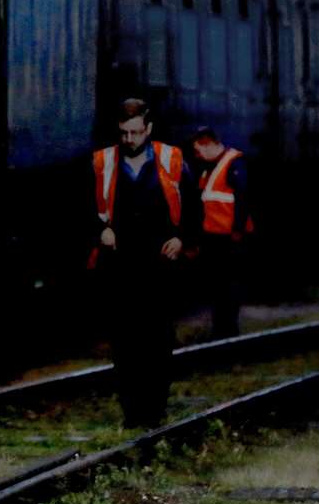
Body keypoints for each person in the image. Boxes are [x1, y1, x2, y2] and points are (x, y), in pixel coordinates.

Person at [90, 98, 190, 427]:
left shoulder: (171, 161)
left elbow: (193, 208)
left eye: (135, 132)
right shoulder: (102, 163)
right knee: (125, 341)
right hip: (120, 265)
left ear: (148, 129)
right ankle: (133, 412)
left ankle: (154, 408)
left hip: (160, 264)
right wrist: (100, 231)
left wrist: (182, 238)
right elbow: (80, 210)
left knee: (158, 339)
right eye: (124, 133)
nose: (129, 140)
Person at [191, 125, 253, 339]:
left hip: (229, 239)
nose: (197, 155)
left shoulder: (234, 164)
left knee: (228, 289)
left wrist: (237, 231)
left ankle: (228, 332)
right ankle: (221, 331)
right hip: (214, 238)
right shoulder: (210, 168)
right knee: (219, 289)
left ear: (208, 144)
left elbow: (243, 199)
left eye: (198, 149)